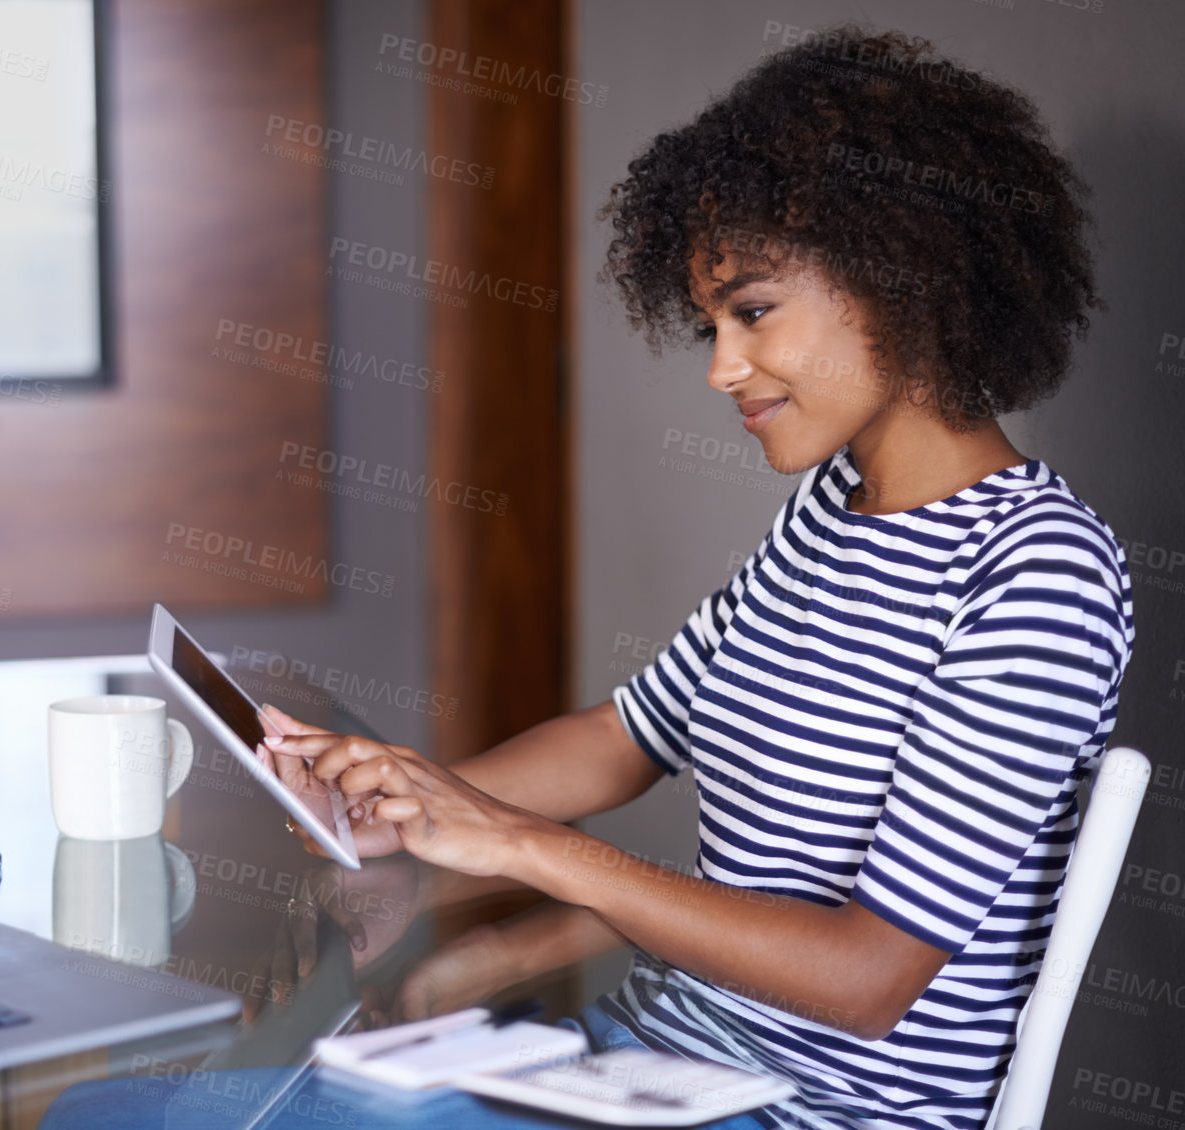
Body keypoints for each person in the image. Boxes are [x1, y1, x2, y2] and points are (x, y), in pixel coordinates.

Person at [262, 24, 1133, 1130]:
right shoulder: (828, 510)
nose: (722, 367)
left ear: (903, 280)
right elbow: (628, 736)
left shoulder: (1038, 573)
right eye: (710, 323)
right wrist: (407, 804)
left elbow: (867, 979)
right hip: (652, 1066)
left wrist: (519, 844)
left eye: (754, 311)